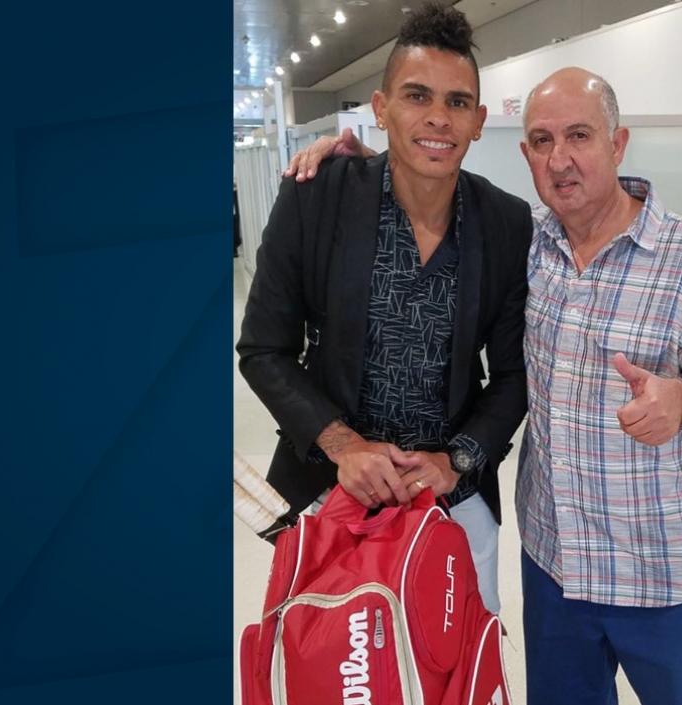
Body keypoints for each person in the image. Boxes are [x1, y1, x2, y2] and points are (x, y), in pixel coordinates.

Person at [286, 67, 682, 705]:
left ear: (617, 145)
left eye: (579, 136)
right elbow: (436, 201)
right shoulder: (525, 243)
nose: (560, 159)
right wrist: (366, 162)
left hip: (666, 573)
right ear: (525, 154)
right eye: (541, 141)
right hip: (555, 569)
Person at [237, 2, 532, 615]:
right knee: (339, 671)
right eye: (417, 95)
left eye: (457, 103)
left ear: (479, 121)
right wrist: (343, 445)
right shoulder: (316, 199)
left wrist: (457, 462)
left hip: (451, 500)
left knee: (455, 671)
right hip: (328, 490)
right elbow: (264, 350)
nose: (437, 119)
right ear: (381, 108)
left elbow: (511, 374)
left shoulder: (505, 222)